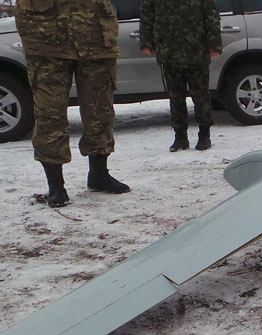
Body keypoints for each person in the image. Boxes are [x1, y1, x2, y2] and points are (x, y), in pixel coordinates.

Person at [15, 0, 131, 208]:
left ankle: (99, 174)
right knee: (49, 113)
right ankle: (56, 185)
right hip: (46, 35)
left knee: (100, 109)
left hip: (95, 33)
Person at [140, 0, 222, 152]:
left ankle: (204, 134)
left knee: (200, 96)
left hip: (196, 49)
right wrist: (146, 42)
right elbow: (147, 14)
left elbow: (211, 15)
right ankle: (180, 137)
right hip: (169, 51)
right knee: (175, 97)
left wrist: (214, 44)